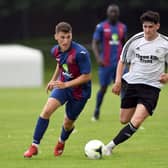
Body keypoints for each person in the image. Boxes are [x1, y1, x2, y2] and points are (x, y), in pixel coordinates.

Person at [103, 10, 168, 156]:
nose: (147, 30)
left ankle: (109, 147)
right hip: (132, 84)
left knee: (136, 121)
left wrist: (167, 76)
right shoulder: (134, 41)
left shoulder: (165, 43)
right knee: (123, 119)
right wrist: (118, 80)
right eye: (145, 26)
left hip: (152, 88)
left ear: (157, 26)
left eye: (150, 27)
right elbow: (122, 61)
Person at [24, 22, 91, 158]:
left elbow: (87, 76)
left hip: (80, 93)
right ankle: (34, 146)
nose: (65, 41)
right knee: (46, 111)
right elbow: (60, 64)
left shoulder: (81, 53)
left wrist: (66, 85)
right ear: (56, 37)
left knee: (68, 123)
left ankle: (61, 141)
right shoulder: (55, 50)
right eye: (62, 37)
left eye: (68, 37)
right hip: (63, 86)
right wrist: (53, 80)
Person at [92, 4, 127, 121]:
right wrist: (98, 58)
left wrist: (127, 59)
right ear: (107, 13)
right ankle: (96, 111)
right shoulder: (101, 26)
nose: (113, 14)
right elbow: (95, 43)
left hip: (119, 64)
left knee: (123, 87)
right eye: (111, 12)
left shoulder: (122, 27)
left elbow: (125, 44)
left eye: (115, 12)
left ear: (118, 13)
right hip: (105, 64)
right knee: (103, 88)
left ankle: (125, 113)